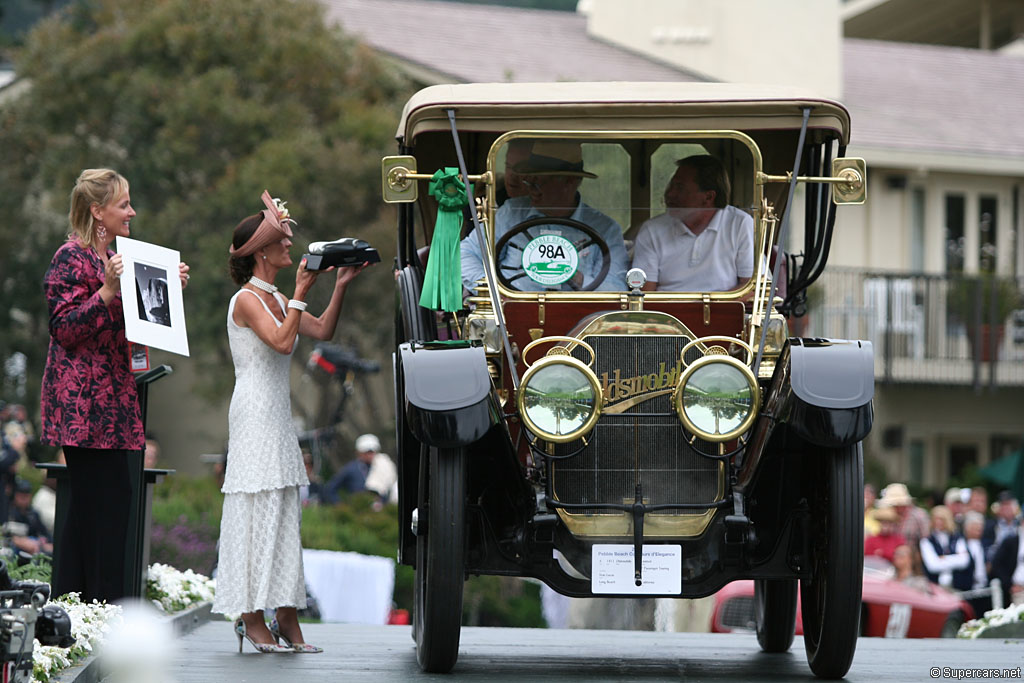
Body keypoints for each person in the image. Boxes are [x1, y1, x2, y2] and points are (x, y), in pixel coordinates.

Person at [211, 190, 367, 654]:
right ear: (261, 252)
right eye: (281, 241)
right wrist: (300, 292)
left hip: (276, 414)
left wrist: (337, 285)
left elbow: (321, 331)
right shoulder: (246, 300)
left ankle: (285, 616)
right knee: (256, 509)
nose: (290, 248)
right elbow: (281, 343)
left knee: (282, 510)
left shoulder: (277, 296)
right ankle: (250, 615)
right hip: (254, 412)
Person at [40, 169, 189, 603]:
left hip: (117, 400)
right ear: (97, 212)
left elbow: (145, 323)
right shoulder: (71, 257)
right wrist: (105, 291)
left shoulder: (126, 257)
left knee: (117, 501)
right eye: (124, 204)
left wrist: (168, 288)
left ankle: (95, 606)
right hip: (82, 403)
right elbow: (63, 329)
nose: (132, 212)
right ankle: (79, 606)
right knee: (92, 506)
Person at [461, 140, 629, 292]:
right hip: (511, 315)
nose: (530, 189)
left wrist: (574, 276)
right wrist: (495, 294)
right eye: (528, 181)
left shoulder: (605, 228)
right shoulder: (512, 212)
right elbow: (465, 253)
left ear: (569, 182)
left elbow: (616, 288)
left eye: (538, 182)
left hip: (576, 319)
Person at [631, 155, 754, 292]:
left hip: (721, 312)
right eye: (671, 185)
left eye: (680, 187)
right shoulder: (652, 229)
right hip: (665, 312)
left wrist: (710, 310)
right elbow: (644, 294)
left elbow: (752, 287)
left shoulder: (740, 223)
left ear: (708, 197)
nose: (670, 194)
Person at [919, 505, 971, 591]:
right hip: (935, 587)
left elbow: (964, 561)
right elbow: (932, 566)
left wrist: (942, 558)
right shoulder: (926, 541)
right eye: (936, 519)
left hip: (958, 585)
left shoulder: (957, 537)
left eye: (941, 519)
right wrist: (956, 557)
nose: (938, 522)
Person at [323, 433, 382, 504]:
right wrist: (339, 505)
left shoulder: (381, 467)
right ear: (359, 452)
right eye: (368, 452)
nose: (371, 455)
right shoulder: (350, 469)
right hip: (358, 509)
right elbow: (330, 488)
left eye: (372, 452)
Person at [7, 478, 53, 556]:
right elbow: (10, 537)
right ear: (15, 496)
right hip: (14, 549)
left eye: (26, 496)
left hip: (36, 547)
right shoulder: (9, 512)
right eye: (21, 496)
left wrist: (48, 543)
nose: (23, 500)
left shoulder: (33, 514)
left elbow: (44, 532)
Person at [878, 482, 930, 547]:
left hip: (914, 554)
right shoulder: (890, 516)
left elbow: (926, 540)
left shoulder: (920, 515)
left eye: (893, 504)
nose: (892, 507)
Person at [962, 511, 993, 616]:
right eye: (975, 527)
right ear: (967, 527)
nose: (978, 530)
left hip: (984, 588)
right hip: (967, 589)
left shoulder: (986, 545)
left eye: (980, 527)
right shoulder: (960, 544)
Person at [494, 138, 534, 205]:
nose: (512, 176)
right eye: (508, 167)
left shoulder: (549, 207)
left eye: (522, 169)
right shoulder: (489, 203)